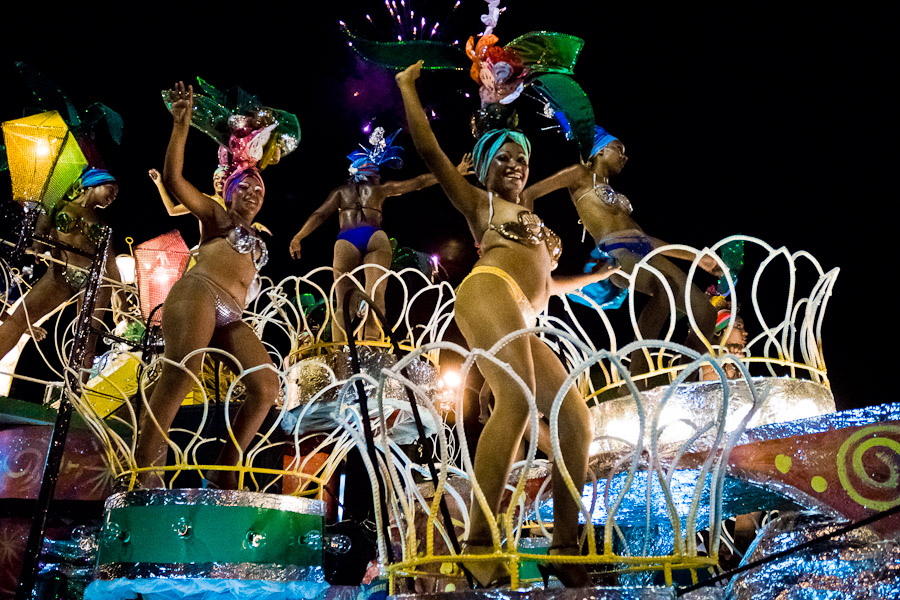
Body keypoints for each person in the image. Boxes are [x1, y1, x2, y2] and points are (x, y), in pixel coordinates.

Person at [397, 61, 618, 587]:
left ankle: (567, 545)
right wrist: (408, 88)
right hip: (487, 291)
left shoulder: (535, 220)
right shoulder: (481, 204)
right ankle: (477, 541)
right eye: (505, 159)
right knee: (515, 401)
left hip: (525, 307)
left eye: (522, 159)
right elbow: (430, 151)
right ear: (485, 166)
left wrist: (597, 278)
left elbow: (546, 286)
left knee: (573, 416)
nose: (516, 166)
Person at [134, 82, 278, 489]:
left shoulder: (258, 236)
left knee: (265, 386)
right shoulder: (216, 215)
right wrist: (181, 125)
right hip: (199, 292)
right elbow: (175, 180)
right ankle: (144, 474)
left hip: (231, 314)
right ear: (228, 193)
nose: (251, 192)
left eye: (258, 189)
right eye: (243, 187)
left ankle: (223, 477)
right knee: (183, 371)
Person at [522, 126, 720, 385]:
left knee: (705, 312)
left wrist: (695, 257)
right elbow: (529, 193)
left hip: (645, 249)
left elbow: (646, 238)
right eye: (619, 149)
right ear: (601, 150)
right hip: (617, 252)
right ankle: (637, 380)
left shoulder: (613, 193)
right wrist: (531, 242)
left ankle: (686, 383)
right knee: (664, 289)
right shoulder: (580, 174)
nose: (625, 157)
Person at [289, 131, 472, 342]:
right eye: (376, 173)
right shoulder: (378, 190)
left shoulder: (344, 192)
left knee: (345, 304)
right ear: (368, 173)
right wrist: (454, 172)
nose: (379, 176)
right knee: (374, 297)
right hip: (372, 237)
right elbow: (418, 182)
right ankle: (366, 349)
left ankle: (343, 353)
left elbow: (319, 214)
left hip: (348, 239)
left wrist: (299, 237)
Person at [0, 168, 121, 376]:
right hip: (59, 275)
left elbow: (111, 265)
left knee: (86, 338)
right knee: (19, 319)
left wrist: (123, 299)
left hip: (94, 281)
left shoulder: (104, 224)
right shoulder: (58, 205)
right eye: (111, 190)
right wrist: (37, 246)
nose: (112, 197)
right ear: (92, 185)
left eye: (115, 196)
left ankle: (76, 393)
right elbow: (41, 230)